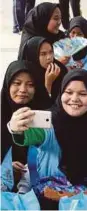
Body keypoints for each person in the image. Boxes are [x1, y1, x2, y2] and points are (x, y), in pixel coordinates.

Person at [9, 70, 87, 195]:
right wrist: (16, 129)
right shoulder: (50, 123)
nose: (74, 99)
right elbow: (29, 136)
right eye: (69, 92)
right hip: (52, 195)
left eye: (83, 93)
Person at [1, 60, 51, 191]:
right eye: (17, 83)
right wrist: (7, 166)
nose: (23, 90)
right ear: (7, 84)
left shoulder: (46, 112)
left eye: (30, 85)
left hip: (40, 183)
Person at [19, 36, 67, 102]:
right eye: (43, 54)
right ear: (33, 56)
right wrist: (48, 84)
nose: (49, 57)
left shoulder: (60, 69)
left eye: (51, 52)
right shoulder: (25, 76)